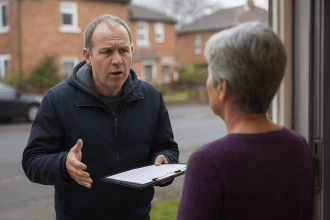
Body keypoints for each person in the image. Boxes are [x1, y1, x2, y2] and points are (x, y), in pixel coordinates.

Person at [22, 14, 179, 220]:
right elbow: (32, 160)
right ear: (88, 56)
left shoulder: (151, 97)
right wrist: (64, 165)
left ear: (132, 51)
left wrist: (165, 161)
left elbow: (166, 146)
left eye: (123, 50)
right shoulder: (58, 100)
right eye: (106, 52)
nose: (117, 60)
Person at [176, 21, 315, 220]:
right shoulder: (299, 147)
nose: (208, 82)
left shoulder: (209, 163)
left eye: (209, 72)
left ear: (222, 87)